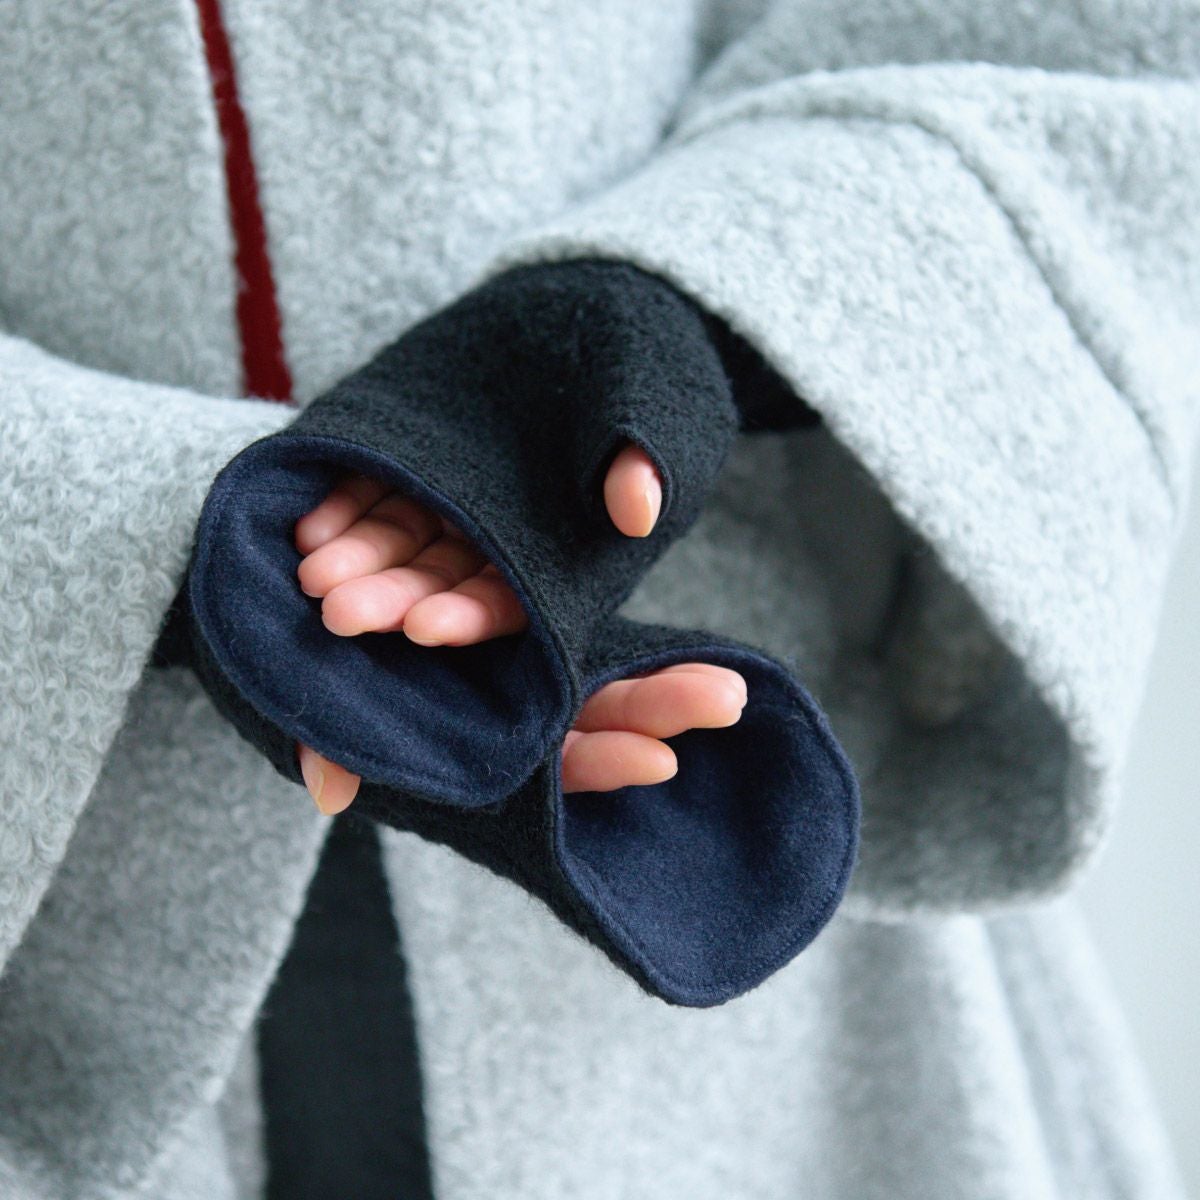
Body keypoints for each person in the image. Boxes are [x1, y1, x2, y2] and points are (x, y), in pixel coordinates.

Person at [1, 1, 1197, 1197]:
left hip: (788, 966)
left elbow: (1098, 46)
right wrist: (141, 531)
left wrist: (675, 309)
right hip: (63, 890)